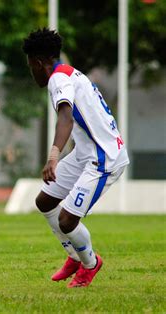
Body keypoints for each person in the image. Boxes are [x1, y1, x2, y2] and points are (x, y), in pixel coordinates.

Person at [22, 28, 129, 288]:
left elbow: (66, 117)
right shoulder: (68, 73)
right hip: (85, 153)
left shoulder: (59, 79)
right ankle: (75, 255)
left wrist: (53, 156)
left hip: (104, 159)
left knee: (67, 220)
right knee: (45, 201)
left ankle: (90, 264)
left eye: (30, 66)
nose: (31, 72)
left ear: (38, 63)